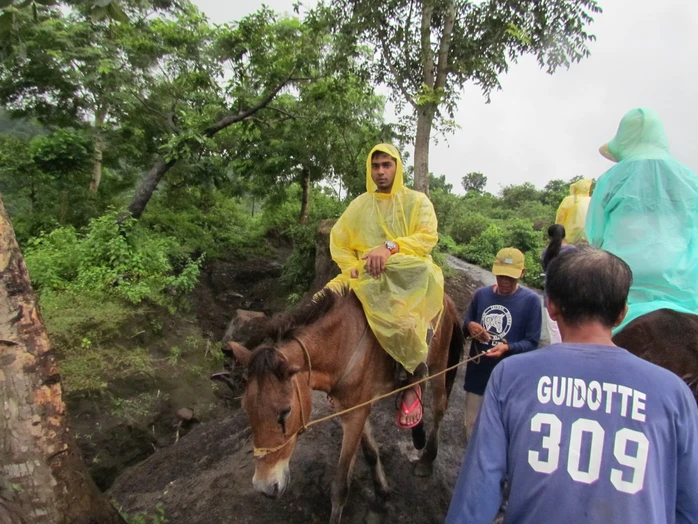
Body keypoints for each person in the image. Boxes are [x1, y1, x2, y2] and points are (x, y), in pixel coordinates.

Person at [446, 247, 698, 524]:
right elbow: (687, 505)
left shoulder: (511, 375)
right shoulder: (675, 393)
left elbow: (478, 490)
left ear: (550, 306)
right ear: (622, 314)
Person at [326, 143, 444, 429]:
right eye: (375, 166)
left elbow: (427, 237)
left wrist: (390, 248)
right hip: (365, 273)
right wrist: (354, 267)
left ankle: (414, 380)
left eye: (386, 165)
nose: (380, 171)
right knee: (324, 301)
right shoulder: (360, 205)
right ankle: (332, 374)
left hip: (406, 276)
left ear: (397, 168)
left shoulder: (417, 202)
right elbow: (339, 240)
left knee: (409, 319)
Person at [586, 107, 698, 334]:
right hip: (686, 295)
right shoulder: (690, 179)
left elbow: (595, 236)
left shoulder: (611, 178)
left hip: (622, 295)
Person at [462, 248, 541, 440]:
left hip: (510, 378)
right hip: (478, 374)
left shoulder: (531, 302)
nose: (505, 281)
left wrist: (509, 348)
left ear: (522, 273)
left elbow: (532, 342)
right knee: (471, 425)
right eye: (501, 275)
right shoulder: (481, 295)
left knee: (502, 430)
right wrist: (470, 326)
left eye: (511, 277)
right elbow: (466, 325)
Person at [541, 224, 577, 344]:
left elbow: (545, 270)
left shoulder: (546, 253)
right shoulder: (574, 251)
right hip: (571, 295)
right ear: (564, 235)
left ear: (549, 237)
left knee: (554, 331)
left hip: (551, 296)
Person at [555, 179, 592, 244]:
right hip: (589, 237)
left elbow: (560, 218)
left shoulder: (569, 199)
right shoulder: (592, 200)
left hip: (570, 237)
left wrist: (558, 236)